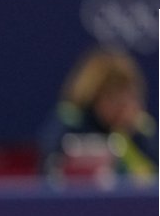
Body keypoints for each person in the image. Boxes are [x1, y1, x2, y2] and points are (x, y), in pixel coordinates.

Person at [38, 47, 157, 187]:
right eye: (114, 99)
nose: (121, 108)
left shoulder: (139, 126)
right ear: (95, 96)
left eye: (128, 99)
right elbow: (48, 165)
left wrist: (135, 134)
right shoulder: (70, 120)